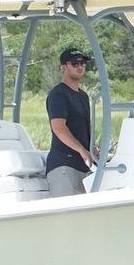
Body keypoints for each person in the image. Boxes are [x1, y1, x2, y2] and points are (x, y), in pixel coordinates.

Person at [45, 47, 93, 196]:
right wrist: (82, 150)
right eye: (75, 63)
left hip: (83, 167)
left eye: (83, 63)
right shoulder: (58, 94)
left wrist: (92, 148)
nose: (80, 66)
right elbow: (58, 127)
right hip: (63, 166)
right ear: (63, 67)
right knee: (64, 218)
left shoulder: (83, 96)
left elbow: (86, 126)